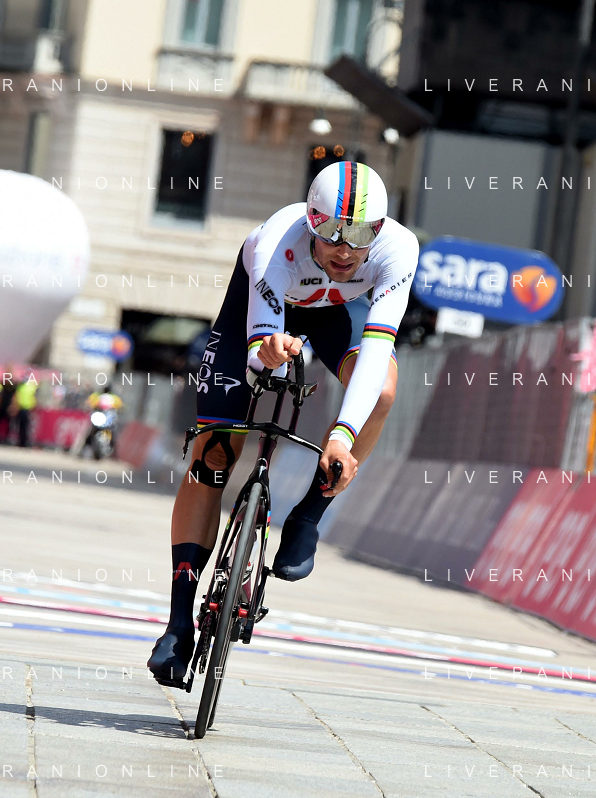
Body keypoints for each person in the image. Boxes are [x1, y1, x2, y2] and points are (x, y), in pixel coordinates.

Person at [147, 161, 418, 687]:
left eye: (359, 235)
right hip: (258, 317)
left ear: (380, 230)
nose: (344, 250)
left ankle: (309, 515)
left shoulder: (398, 249)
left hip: (336, 314)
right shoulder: (277, 242)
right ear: (310, 221)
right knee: (213, 456)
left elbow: (375, 352)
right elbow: (256, 354)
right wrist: (268, 354)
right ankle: (179, 622)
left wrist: (340, 437)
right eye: (330, 232)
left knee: (383, 389)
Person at [14, 372, 38, 448]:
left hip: (28, 409)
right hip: (21, 408)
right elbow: (17, 397)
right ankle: (21, 441)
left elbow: (35, 397)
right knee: (21, 426)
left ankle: (26, 442)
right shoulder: (20, 387)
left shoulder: (32, 386)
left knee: (27, 426)